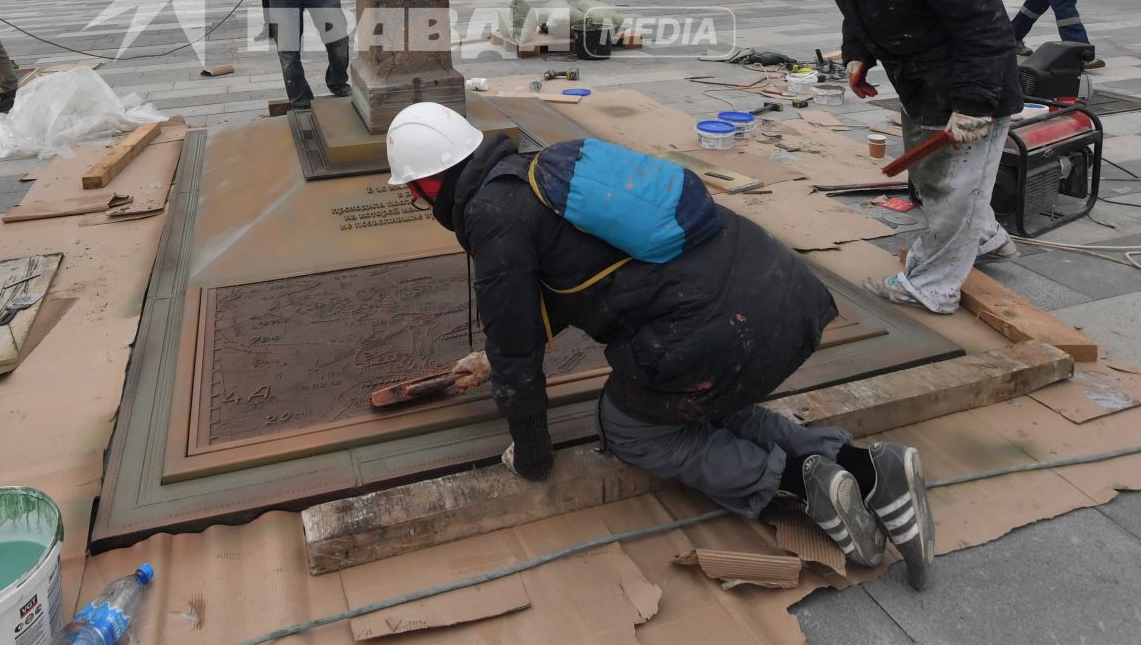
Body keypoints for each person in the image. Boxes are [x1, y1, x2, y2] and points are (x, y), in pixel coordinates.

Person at [384, 103, 939, 589]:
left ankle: (799, 480)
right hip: (785, 300)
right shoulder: (548, 171)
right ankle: (864, 468)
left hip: (721, 334)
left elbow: (516, 357)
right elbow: (579, 272)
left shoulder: (491, 216)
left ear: (424, 185)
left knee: (630, 426)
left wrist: (531, 454)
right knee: (700, 403)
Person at [774, 0, 1023, 315]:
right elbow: (853, 3)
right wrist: (856, 56)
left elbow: (985, 26)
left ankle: (933, 287)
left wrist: (974, 103)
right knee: (932, 178)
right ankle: (987, 238)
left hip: (970, 81)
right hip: (916, 79)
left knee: (955, 188)